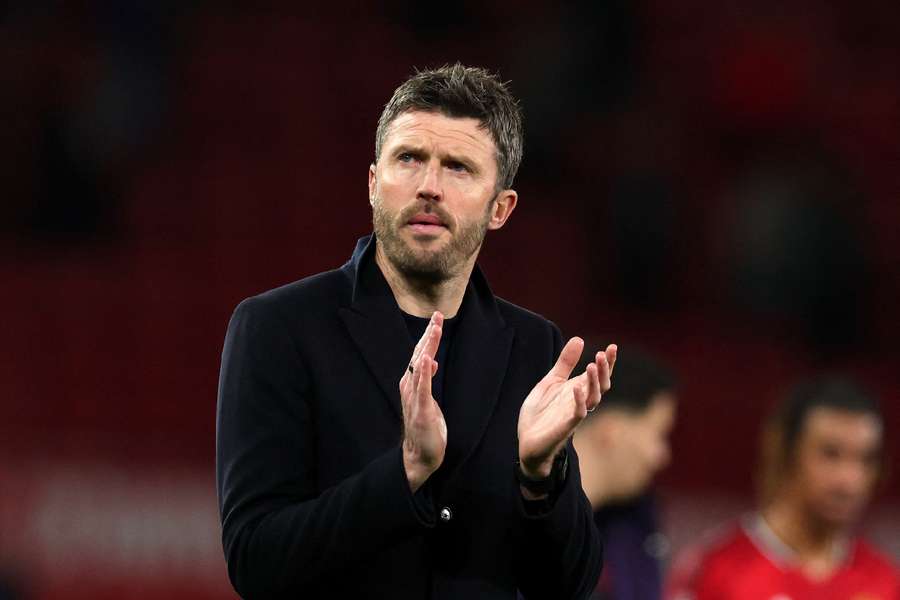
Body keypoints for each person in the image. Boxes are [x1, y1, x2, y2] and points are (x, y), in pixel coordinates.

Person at [216, 64, 616, 599]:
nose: (429, 187)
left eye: (458, 168)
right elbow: (255, 560)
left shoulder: (534, 348)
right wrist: (405, 472)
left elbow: (570, 585)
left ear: (500, 208)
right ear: (373, 183)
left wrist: (540, 475)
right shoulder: (279, 328)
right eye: (408, 159)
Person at [666, 377, 899, 600]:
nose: (849, 480)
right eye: (830, 454)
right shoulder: (717, 571)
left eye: (866, 459)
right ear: (786, 452)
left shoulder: (885, 582)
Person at [572, 349, 677, 600]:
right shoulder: (505, 525)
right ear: (611, 430)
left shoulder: (634, 526)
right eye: (659, 434)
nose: (662, 456)